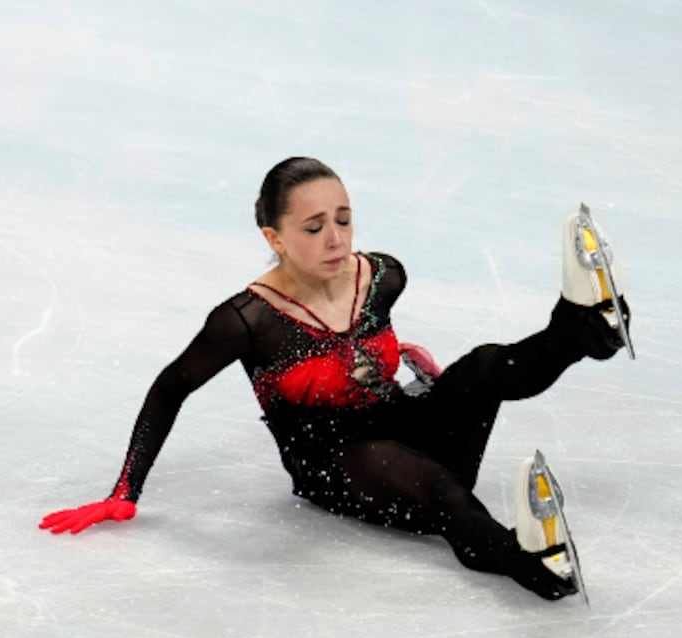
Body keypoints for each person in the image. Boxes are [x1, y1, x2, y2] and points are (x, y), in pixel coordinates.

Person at [39, 157, 630, 600]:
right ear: (274, 239)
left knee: (481, 366)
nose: (336, 238)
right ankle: (528, 561)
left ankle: (581, 326)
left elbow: (372, 362)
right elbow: (171, 388)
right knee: (443, 494)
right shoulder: (248, 322)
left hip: (407, 427)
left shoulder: (383, 277)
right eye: (314, 226)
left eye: (343, 220)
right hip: (340, 465)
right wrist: (125, 493)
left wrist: (425, 381)